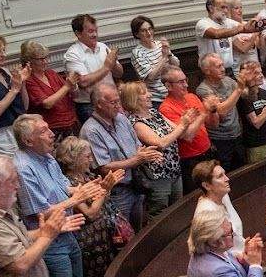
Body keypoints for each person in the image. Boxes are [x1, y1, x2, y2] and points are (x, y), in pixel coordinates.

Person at [12, 114, 104, 277]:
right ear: (28, 141)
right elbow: (40, 212)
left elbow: (65, 188)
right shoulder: (23, 168)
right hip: (50, 242)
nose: (52, 133)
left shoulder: (48, 158)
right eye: (43, 131)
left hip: (68, 233)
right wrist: (76, 199)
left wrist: (92, 188)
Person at [53, 136, 123, 277]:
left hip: (104, 237)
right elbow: (90, 213)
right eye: (87, 156)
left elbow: (103, 202)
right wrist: (104, 190)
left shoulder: (88, 175)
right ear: (75, 159)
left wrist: (107, 189)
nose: (91, 159)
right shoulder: (70, 184)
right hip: (90, 243)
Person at [82, 81, 157, 224]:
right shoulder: (91, 131)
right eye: (113, 102)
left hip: (136, 184)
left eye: (118, 101)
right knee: (124, 234)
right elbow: (104, 167)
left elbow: (137, 146)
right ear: (99, 104)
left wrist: (148, 154)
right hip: (117, 192)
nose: (118, 106)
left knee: (140, 229)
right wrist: (136, 160)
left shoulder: (122, 118)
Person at [121, 81, 191, 219]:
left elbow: (178, 131)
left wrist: (185, 122)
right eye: (144, 93)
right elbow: (161, 143)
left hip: (174, 170)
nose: (149, 95)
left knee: (178, 208)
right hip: (157, 175)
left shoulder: (154, 112)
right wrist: (182, 126)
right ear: (133, 99)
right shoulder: (135, 122)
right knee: (160, 214)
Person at [158, 68, 215, 190]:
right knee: (197, 193)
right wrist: (205, 113)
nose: (186, 85)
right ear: (168, 86)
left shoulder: (192, 97)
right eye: (181, 82)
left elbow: (211, 124)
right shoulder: (166, 108)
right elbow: (188, 136)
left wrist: (213, 109)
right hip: (190, 160)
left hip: (208, 151)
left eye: (186, 80)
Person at [18, 40, 77, 139]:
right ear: (29, 62)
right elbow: (47, 103)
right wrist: (67, 86)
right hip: (51, 130)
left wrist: (73, 86)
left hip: (71, 123)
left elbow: (73, 94)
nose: (45, 62)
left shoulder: (51, 73)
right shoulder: (28, 80)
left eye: (46, 57)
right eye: (40, 59)